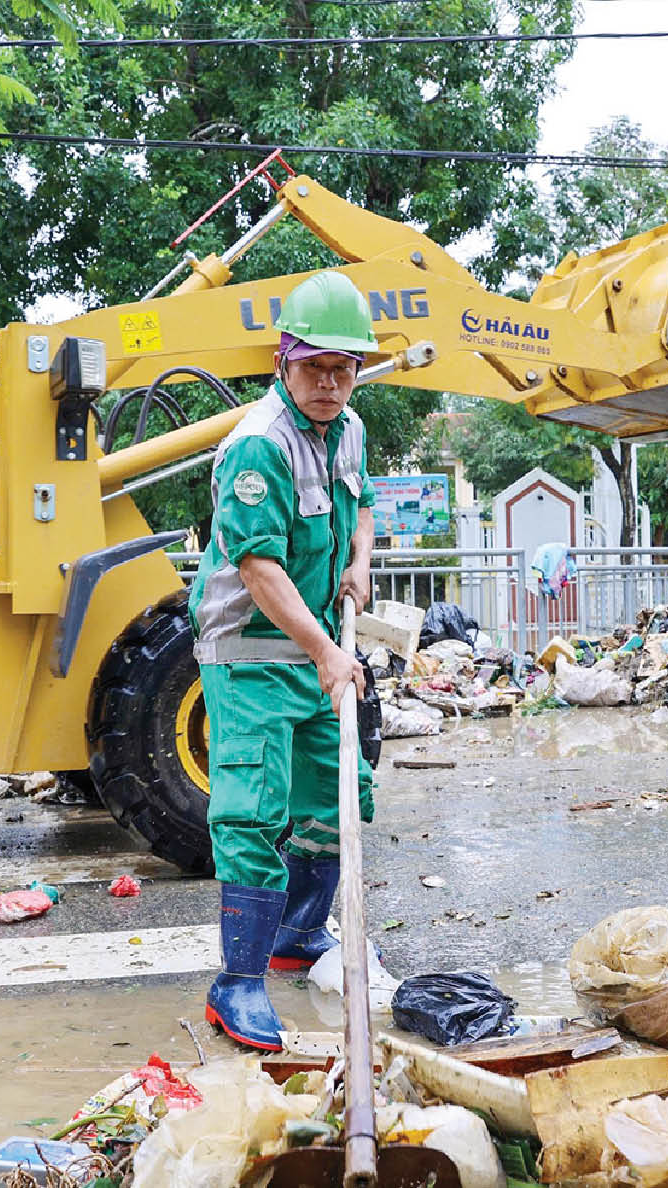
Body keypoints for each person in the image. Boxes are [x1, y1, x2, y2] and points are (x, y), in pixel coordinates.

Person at [188, 270, 379, 1052]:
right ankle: (236, 983)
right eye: (316, 368)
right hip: (251, 658)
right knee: (253, 812)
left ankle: (299, 933)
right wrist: (330, 652)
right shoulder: (256, 449)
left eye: (346, 368)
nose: (331, 383)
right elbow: (261, 570)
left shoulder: (350, 427)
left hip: (315, 652)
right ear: (283, 360)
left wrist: (362, 560)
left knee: (338, 797)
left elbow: (361, 501)